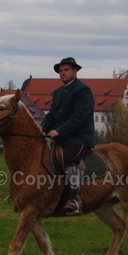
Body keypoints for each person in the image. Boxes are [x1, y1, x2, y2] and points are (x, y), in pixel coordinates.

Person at [41, 57, 96, 215]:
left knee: (70, 159)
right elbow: (52, 115)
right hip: (61, 137)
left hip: (80, 137)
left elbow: (80, 116)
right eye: (60, 71)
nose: (62, 73)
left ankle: (75, 199)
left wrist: (59, 130)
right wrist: (43, 128)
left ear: (75, 71)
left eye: (65, 70)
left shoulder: (82, 90)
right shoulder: (58, 92)